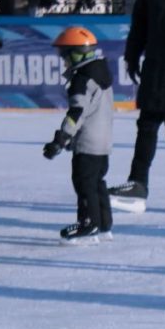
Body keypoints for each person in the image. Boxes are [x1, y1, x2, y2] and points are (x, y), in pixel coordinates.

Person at [108, 0, 165, 214]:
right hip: (161, 69)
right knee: (150, 125)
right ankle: (139, 182)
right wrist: (131, 56)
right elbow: (139, 25)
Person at [42, 26, 114, 243]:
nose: (63, 60)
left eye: (64, 55)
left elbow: (76, 113)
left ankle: (88, 224)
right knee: (97, 183)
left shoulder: (81, 80)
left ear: (75, 53)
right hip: (104, 142)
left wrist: (60, 139)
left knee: (84, 184)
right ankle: (103, 225)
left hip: (88, 142)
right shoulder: (101, 72)